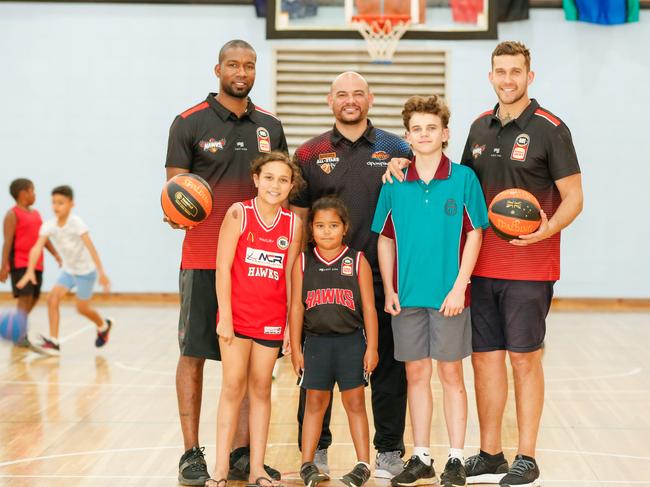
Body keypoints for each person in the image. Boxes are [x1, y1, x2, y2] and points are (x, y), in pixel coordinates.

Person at [384, 41, 583, 487]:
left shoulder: (552, 129)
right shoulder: (478, 128)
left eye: (516, 72)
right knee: (485, 362)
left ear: (530, 77)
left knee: (524, 361)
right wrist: (402, 159)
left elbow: (575, 197)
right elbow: (448, 176)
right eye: (500, 71)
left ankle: (526, 455)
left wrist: (546, 231)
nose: (508, 79)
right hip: (478, 268)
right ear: (490, 76)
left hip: (530, 267)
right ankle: (491, 452)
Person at [165, 39, 288, 486]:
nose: (241, 71)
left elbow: (281, 184)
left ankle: (240, 454)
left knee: (251, 367)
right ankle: (191, 452)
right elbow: (175, 189)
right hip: (203, 259)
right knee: (194, 354)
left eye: (249, 65)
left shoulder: (270, 126)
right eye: (233, 64)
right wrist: (175, 210)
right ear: (218, 68)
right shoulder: (188, 122)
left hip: (258, 264)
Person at [289, 71, 411, 478]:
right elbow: (300, 220)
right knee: (317, 368)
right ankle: (317, 450)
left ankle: (390, 450)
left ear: (371, 99)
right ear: (330, 101)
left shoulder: (397, 148)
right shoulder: (309, 153)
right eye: (342, 94)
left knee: (388, 364)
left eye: (358, 93)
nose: (350, 100)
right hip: (325, 280)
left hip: (382, 276)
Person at [372, 95, 488, 487]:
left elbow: (475, 234)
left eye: (431, 128)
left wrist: (460, 287)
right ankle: (421, 454)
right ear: (407, 137)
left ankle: (455, 457)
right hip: (405, 298)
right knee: (416, 375)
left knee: (451, 375)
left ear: (445, 133)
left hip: (449, 298)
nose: (424, 135)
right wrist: (388, 289)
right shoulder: (392, 182)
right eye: (417, 129)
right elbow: (385, 240)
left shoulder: (463, 179)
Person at [205, 152, 302, 487]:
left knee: (261, 389)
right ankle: (219, 468)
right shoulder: (239, 213)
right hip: (237, 317)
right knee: (233, 387)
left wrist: (290, 325)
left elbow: (290, 276)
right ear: (257, 179)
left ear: (291, 186)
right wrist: (226, 317)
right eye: (269, 177)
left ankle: (257, 468)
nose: (275, 185)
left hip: (271, 319)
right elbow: (222, 268)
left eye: (283, 179)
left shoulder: (293, 224)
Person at [290, 196, 379, 487]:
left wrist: (373, 347)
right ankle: (307, 462)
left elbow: (368, 308)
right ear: (311, 229)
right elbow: (296, 308)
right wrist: (294, 348)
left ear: (344, 228)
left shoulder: (357, 261)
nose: (326, 231)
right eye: (319, 225)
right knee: (314, 402)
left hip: (351, 342)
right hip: (315, 343)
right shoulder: (303, 262)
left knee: (355, 401)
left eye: (333, 225)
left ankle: (364, 462)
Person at [17, 185, 112, 356]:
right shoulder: (49, 225)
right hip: (69, 271)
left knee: (82, 308)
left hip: (86, 272)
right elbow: (37, 247)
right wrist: (30, 270)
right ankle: (54, 342)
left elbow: (92, 249)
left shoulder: (77, 224)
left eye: (61, 203)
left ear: (71, 204)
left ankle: (103, 326)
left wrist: (102, 273)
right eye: (53, 202)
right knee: (52, 299)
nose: (56, 206)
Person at [1, 178, 60, 346]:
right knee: (25, 298)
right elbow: (7, 241)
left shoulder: (36, 214)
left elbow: (44, 237)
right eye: (32, 191)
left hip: (37, 264)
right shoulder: (12, 214)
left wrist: (55, 253)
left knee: (34, 297)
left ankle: (15, 328)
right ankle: (18, 334)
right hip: (20, 263)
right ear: (23, 194)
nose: (34, 194)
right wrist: (3, 266)